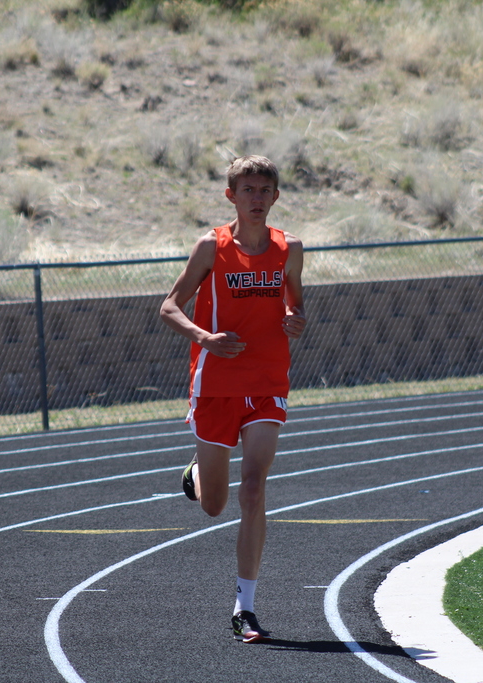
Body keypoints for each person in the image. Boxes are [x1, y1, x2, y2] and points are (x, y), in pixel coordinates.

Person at [159, 154, 306, 643]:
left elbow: (295, 303)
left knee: (255, 489)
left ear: (276, 196)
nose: (257, 198)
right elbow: (168, 307)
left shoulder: (290, 248)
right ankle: (197, 474)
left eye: (265, 190)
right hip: (216, 384)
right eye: (248, 190)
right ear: (232, 197)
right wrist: (205, 338)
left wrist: (295, 318)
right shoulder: (211, 247)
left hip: (267, 383)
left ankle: (245, 607)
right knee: (215, 506)